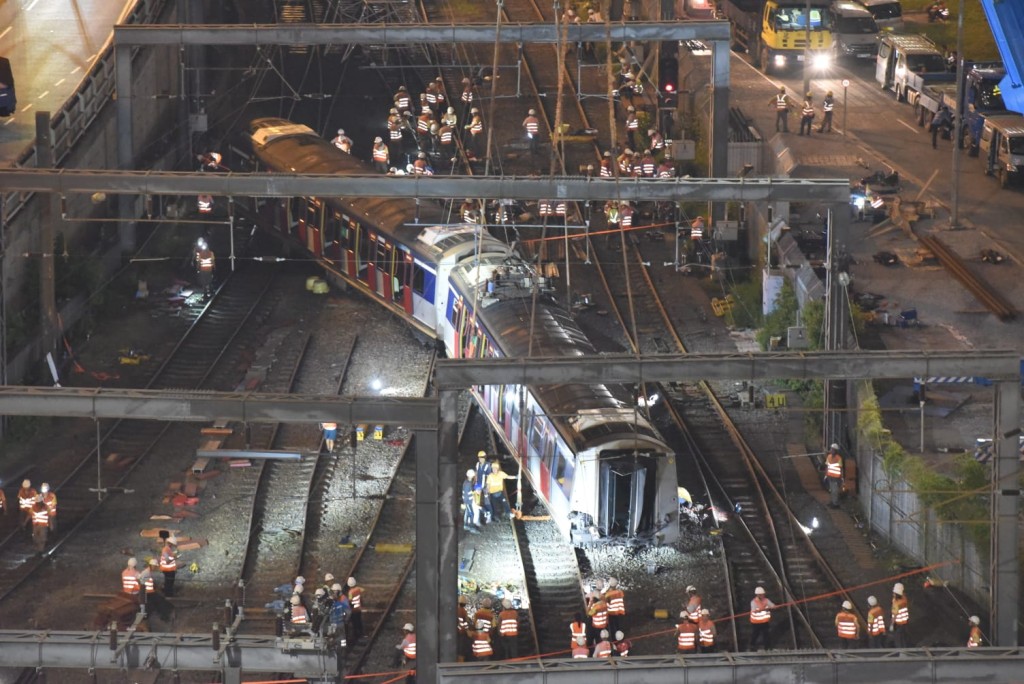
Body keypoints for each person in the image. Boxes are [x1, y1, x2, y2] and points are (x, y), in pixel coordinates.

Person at [749, 586, 776, 651]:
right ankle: (752, 646)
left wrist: (773, 607)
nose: (762, 596)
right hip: (756, 622)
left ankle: (767, 647)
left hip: (764, 621)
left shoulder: (766, 600)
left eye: (763, 594)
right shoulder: (753, 602)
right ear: (757, 595)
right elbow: (754, 610)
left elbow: (772, 606)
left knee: (766, 634)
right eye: (761, 595)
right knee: (755, 634)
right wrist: (765, 608)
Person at [474, 451, 493, 522]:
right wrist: (475, 484)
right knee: (477, 501)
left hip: (485, 486)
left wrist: (488, 487)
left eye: (482, 458)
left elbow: (489, 477)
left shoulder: (488, 465)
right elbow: (476, 474)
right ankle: (478, 517)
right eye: (479, 458)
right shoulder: (477, 464)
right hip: (478, 485)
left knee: (487, 501)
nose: (481, 459)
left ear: (485, 458)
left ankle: (489, 516)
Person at [890, 582, 909, 647]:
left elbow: (895, 614)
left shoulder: (896, 602)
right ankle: (906, 650)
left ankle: (901, 652)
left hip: (899, 623)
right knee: (904, 637)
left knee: (898, 639)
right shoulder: (904, 598)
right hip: (905, 621)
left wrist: (892, 624)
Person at [824, 444, 843, 508]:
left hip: (836, 478)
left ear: (836, 451)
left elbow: (841, 468)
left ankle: (835, 504)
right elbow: (827, 466)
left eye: (833, 449)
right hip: (830, 477)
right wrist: (826, 475)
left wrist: (841, 478)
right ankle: (832, 501)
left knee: (835, 491)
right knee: (832, 490)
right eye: (831, 449)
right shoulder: (829, 457)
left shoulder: (839, 458)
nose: (831, 450)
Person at [347, 576, 364, 641]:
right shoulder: (358, 589)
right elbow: (363, 590)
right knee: (359, 621)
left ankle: (356, 635)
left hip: (353, 610)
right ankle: (361, 633)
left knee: (354, 623)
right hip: (358, 609)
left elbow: (350, 601)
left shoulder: (350, 592)